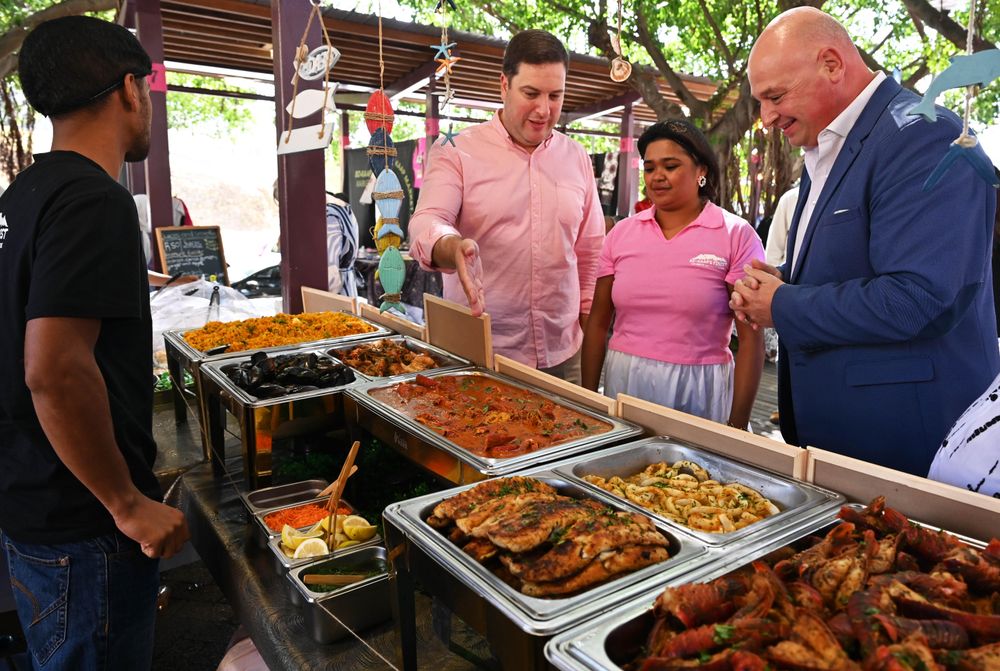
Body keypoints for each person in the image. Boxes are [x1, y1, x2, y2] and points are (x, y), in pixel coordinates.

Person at [730, 7, 999, 475]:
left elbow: (921, 297)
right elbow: (856, 268)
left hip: (908, 445)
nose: (767, 117)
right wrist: (785, 281)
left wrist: (784, 305)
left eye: (774, 97)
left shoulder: (924, 136)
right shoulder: (827, 145)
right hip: (842, 437)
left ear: (832, 64)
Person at [0, 16, 189, 670]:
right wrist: (127, 503)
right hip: (84, 531)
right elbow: (52, 368)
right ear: (129, 89)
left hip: (34, 512)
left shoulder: (25, 193)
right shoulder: (94, 200)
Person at [408, 29, 604, 382]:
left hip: (564, 354)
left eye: (555, 96)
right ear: (503, 85)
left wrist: (591, 334)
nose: (544, 110)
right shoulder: (456, 150)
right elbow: (428, 221)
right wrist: (453, 247)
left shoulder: (576, 157)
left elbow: (590, 250)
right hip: (479, 354)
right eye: (531, 93)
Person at [581, 119, 765, 428]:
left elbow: (751, 339)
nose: (658, 177)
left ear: (701, 170)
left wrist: (737, 426)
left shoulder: (736, 234)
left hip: (700, 386)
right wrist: (585, 400)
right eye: (650, 168)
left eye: (671, 166)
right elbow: (598, 323)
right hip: (626, 380)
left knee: (695, 474)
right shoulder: (621, 234)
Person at [325, 190, 359, 297]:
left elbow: (332, 273)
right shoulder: (344, 209)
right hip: (348, 287)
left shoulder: (330, 214)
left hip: (339, 293)